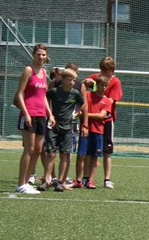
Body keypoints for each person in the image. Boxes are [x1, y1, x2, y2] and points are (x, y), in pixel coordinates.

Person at [14, 44, 54, 195]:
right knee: (29, 149)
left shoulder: (44, 71)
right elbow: (19, 94)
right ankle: (21, 184)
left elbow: (43, 96)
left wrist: (50, 114)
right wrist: (26, 114)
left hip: (41, 115)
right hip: (29, 114)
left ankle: (26, 182)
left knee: (37, 150)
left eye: (43, 54)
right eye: (38, 54)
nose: (41, 57)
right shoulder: (28, 70)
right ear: (33, 55)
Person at [45, 68, 88, 191]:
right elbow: (45, 97)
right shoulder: (54, 91)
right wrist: (50, 114)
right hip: (53, 127)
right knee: (51, 154)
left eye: (74, 80)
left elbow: (83, 103)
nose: (72, 82)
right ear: (62, 79)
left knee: (65, 155)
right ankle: (47, 180)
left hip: (68, 128)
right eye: (69, 80)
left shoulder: (75, 93)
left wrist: (76, 113)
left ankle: (60, 182)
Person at [86, 57, 122, 188]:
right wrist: (88, 82)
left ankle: (107, 179)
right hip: (92, 121)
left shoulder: (115, 82)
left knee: (107, 151)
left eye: (106, 70)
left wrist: (100, 108)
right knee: (89, 150)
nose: (103, 73)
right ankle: (86, 178)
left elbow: (110, 100)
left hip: (106, 120)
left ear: (111, 70)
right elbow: (85, 82)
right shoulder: (97, 77)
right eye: (102, 70)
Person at [78, 75, 112, 189]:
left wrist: (86, 115)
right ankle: (84, 178)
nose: (103, 88)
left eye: (106, 86)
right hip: (86, 129)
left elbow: (101, 116)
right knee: (84, 155)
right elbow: (78, 90)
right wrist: (84, 82)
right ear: (96, 85)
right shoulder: (88, 95)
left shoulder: (107, 101)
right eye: (102, 85)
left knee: (94, 156)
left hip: (98, 131)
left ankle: (91, 180)